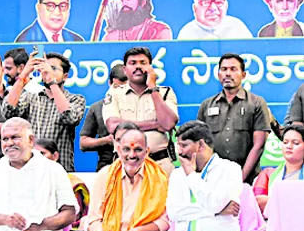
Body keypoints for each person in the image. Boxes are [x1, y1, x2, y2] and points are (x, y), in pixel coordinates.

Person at [140, 121, 243, 231]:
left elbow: (215, 203)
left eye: (184, 145)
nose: (179, 151)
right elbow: (174, 213)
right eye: (178, 145)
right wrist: (216, 212)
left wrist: (191, 176)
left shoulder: (230, 169)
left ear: (201, 145)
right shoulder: (177, 175)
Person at [75, 127, 169, 231]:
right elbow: (94, 219)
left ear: (147, 151)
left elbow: (164, 221)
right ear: (118, 149)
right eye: (126, 149)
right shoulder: (105, 175)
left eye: (138, 149)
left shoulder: (158, 179)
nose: (132, 155)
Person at [3, 52, 86, 172]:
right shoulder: (31, 97)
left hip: (61, 170)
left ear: (65, 76)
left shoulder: (75, 99)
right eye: (45, 67)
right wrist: (23, 76)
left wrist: (52, 82)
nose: (47, 71)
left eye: (53, 68)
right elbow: (8, 111)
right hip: (30, 171)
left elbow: (70, 117)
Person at [102, 47, 179, 176]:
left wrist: (153, 89)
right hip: (126, 166)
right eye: (133, 63)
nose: (138, 67)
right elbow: (113, 125)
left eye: (143, 63)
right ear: (125, 70)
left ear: (151, 67)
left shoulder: (165, 92)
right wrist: (154, 124)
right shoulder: (114, 93)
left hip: (160, 164)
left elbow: (168, 123)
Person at [197, 53, 270, 183]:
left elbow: (259, 145)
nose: (228, 74)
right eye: (224, 69)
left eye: (233, 69)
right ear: (219, 74)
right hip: (214, 179)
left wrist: (240, 177)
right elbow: (200, 144)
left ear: (243, 75)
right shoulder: (206, 105)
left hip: (248, 179)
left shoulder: (257, 103)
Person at [80, 64, 127, 171]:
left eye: (124, 87)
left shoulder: (140, 104)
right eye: (116, 87)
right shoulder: (96, 107)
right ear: (109, 83)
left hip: (137, 164)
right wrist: (107, 140)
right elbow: (83, 143)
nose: (120, 91)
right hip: (107, 166)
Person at [35, 138, 90, 229]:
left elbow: (75, 217)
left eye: (42, 153)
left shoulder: (72, 182)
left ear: (55, 156)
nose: (37, 158)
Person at [177, 0, 253, 39]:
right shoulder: (187, 33)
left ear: (226, 6)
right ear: (195, 8)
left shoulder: (237, 28)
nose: (213, 8)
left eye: (219, 2)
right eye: (206, 2)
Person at [254, 124, 304, 213]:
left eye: (295, 143)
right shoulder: (268, 174)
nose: (289, 146)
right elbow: (256, 203)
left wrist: (274, 201)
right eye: (285, 142)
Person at [102, 0, 172, 41]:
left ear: (142, 3)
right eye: (122, 0)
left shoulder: (159, 31)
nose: (124, 4)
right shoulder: (111, 37)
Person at [15, 0, 84, 42]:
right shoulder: (26, 41)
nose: (57, 12)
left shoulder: (76, 40)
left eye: (63, 6)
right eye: (51, 6)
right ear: (38, 8)